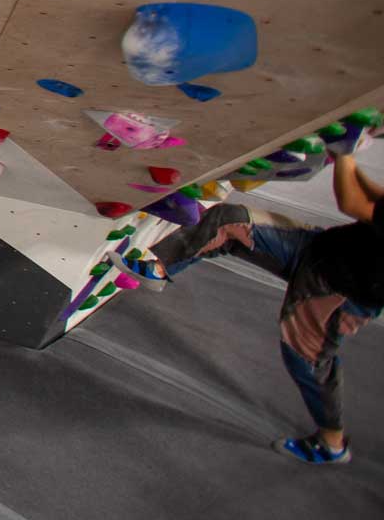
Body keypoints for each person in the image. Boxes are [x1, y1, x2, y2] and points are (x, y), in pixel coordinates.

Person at [115, 148, 380, 466]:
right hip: (318, 250)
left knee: (307, 364)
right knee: (228, 224)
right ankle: (158, 267)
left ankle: (332, 442)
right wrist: (343, 159)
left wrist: (344, 153)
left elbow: (351, 202)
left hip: (335, 293)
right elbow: (376, 199)